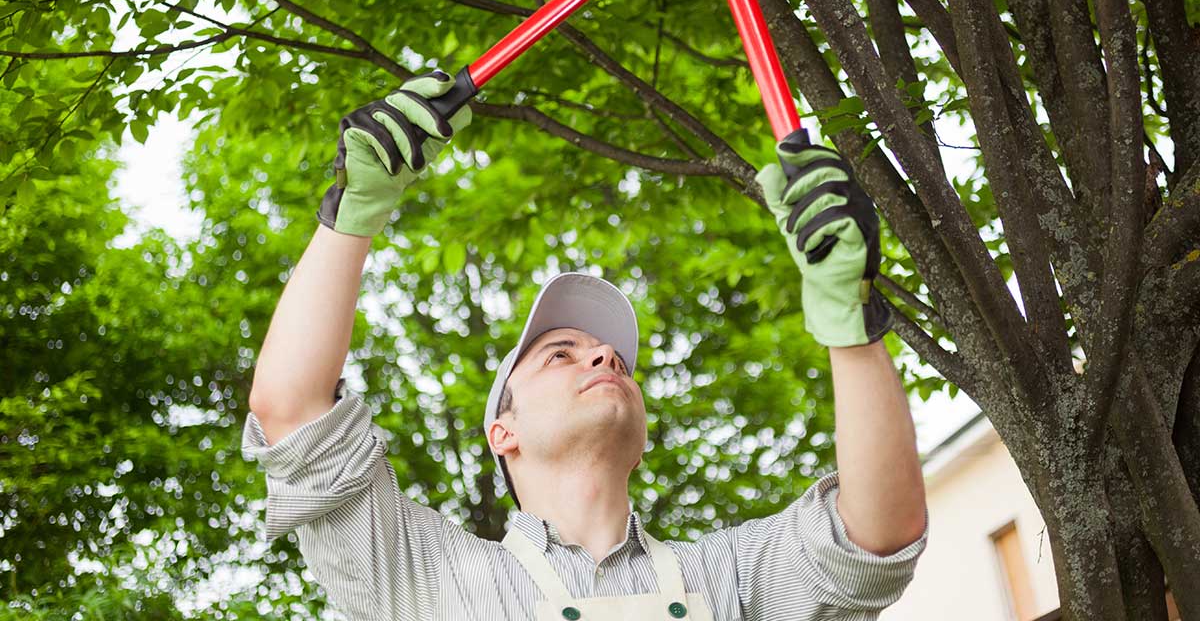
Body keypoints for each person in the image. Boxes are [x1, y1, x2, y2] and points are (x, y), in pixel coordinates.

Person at [242, 72, 928, 620]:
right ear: (501, 430)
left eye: (616, 360)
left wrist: (850, 322)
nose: (604, 358)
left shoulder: (729, 578)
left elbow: (877, 535)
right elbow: (293, 412)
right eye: (561, 353)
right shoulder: (429, 579)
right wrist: (352, 215)